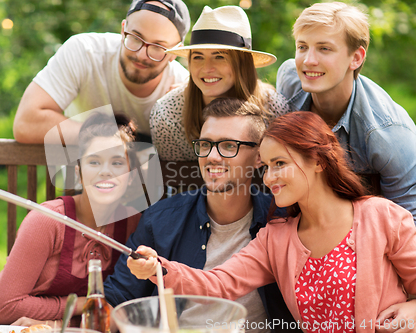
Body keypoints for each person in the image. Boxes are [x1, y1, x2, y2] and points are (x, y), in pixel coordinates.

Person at [128, 111, 416, 333]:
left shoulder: (383, 217)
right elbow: (218, 284)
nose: (268, 178)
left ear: (318, 161)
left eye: (280, 164)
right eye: (266, 167)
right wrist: (159, 268)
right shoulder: (275, 239)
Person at [105, 98, 300, 333]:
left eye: (228, 146)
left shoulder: (283, 221)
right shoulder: (161, 220)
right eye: (206, 144)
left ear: (259, 156)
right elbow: (115, 302)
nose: (212, 157)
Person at [0, 113, 141, 327]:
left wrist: (55, 324)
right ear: (78, 173)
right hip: (3, 325)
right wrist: (82, 304)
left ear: (131, 176)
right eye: (94, 162)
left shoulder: (134, 223)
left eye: (117, 162)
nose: (106, 172)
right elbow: (6, 308)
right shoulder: (48, 220)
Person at [276, 2, 416, 219]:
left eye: (324, 48)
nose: (308, 61)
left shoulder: (388, 133)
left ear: (356, 58)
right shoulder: (289, 79)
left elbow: (409, 221)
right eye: (302, 47)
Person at [13, 0, 190, 145]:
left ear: (175, 52)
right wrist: (105, 138)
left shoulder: (184, 89)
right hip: (82, 183)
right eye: (136, 38)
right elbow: (25, 123)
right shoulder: (84, 52)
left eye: (158, 47)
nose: (141, 54)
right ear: (122, 30)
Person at [149, 5, 291, 161]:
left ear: (242, 64)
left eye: (219, 57)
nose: (207, 68)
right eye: (198, 57)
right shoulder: (167, 115)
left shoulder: (273, 109)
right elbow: (173, 178)